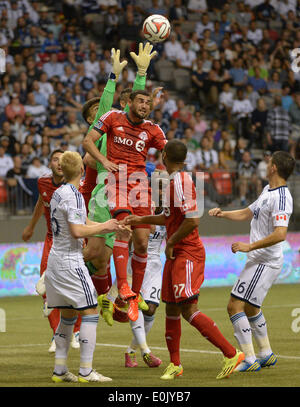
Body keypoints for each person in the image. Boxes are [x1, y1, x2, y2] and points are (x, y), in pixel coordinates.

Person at [124, 139, 244, 380]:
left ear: (165, 155)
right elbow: (169, 219)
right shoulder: (173, 181)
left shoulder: (181, 181)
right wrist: (138, 220)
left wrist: (169, 242)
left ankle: (231, 354)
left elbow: (193, 220)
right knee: (171, 307)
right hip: (176, 253)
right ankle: (175, 364)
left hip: (187, 252)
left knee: (189, 308)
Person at [80, 44, 157, 319]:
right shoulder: (102, 125)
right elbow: (108, 105)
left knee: (130, 244)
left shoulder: (124, 123)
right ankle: (61, 276)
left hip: (126, 189)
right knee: (97, 253)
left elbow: (136, 103)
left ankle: (121, 295)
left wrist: (142, 74)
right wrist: (112, 77)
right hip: (104, 195)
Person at [209, 151, 295, 372]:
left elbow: (280, 234)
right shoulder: (268, 191)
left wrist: (249, 246)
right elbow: (248, 213)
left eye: (269, 163)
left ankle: (249, 359)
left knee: (234, 306)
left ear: (274, 168)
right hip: (260, 259)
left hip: (264, 261)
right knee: (251, 307)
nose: (266, 166)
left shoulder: (282, 197)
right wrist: (223, 213)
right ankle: (265, 354)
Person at [44, 151, 121, 383]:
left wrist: (108, 226)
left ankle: (59, 370)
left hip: (55, 261)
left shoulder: (59, 193)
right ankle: (86, 371)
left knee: (67, 316)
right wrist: (105, 226)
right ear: (81, 170)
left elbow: (82, 222)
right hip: (70, 262)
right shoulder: (75, 195)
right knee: (90, 312)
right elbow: (78, 231)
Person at [22, 150, 81, 352]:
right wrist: (31, 226)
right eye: (55, 159)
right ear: (50, 164)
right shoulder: (43, 183)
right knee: (44, 287)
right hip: (52, 239)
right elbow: (41, 202)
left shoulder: (75, 186)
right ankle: (57, 335)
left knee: (77, 287)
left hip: (73, 239)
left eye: (62, 159)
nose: (59, 162)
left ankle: (76, 332)